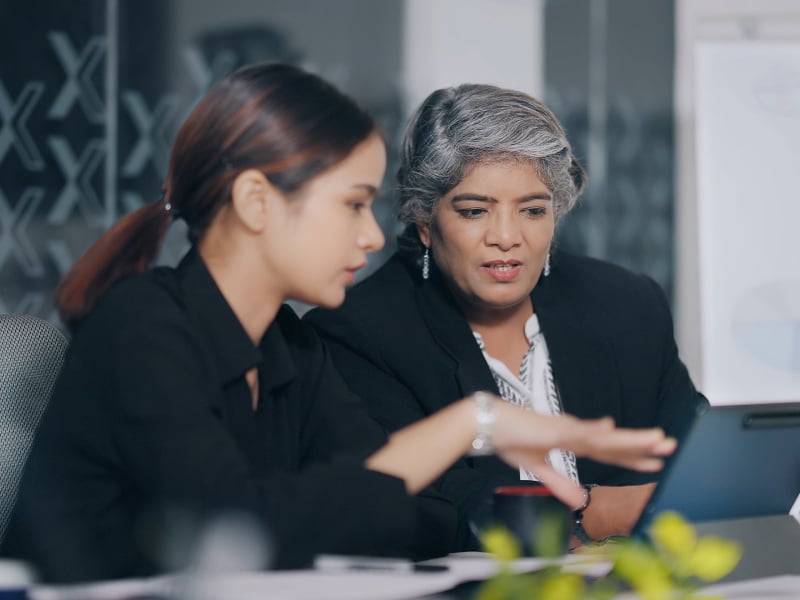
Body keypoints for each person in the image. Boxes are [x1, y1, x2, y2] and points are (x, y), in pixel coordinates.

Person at [1, 65, 676, 583]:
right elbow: (234, 529)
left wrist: (373, 493)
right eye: (353, 205)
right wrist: (470, 424)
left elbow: (412, 513)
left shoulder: (291, 346)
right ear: (258, 201)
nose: (373, 237)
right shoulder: (141, 326)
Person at [305, 83, 701, 550]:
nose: (507, 237)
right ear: (425, 222)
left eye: (533, 210)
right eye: (475, 211)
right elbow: (430, 508)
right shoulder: (356, 335)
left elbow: (695, 454)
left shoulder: (625, 303)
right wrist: (594, 513)